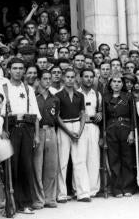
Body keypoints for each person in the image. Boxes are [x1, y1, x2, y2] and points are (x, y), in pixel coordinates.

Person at [0, 58, 41, 215]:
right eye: (15, 68)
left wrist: (36, 135)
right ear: (9, 70)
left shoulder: (28, 88)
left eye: (21, 68)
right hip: (10, 129)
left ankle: (26, 203)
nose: (18, 71)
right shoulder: (2, 87)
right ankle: (11, 203)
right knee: (11, 166)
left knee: (26, 166)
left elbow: (35, 114)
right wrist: (1, 131)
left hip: (27, 129)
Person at [56, 69, 90, 202]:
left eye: (72, 77)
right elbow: (57, 117)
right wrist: (69, 133)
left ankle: (83, 193)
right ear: (63, 78)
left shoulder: (80, 96)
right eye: (67, 77)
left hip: (78, 126)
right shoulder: (57, 95)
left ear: (75, 78)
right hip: (64, 128)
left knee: (80, 160)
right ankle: (61, 194)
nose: (70, 79)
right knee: (63, 162)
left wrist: (80, 131)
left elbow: (83, 114)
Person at [103, 75, 137, 197]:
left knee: (127, 159)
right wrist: (104, 133)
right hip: (111, 129)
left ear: (122, 84)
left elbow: (133, 116)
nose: (116, 84)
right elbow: (104, 117)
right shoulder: (106, 97)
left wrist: (132, 131)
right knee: (114, 160)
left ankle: (128, 187)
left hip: (126, 129)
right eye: (114, 82)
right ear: (110, 84)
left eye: (119, 82)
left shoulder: (128, 97)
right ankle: (117, 189)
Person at [32, 71, 60, 208]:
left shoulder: (55, 98)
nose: (48, 81)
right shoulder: (33, 97)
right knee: (37, 166)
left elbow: (57, 116)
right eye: (45, 79)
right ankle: (38, 198)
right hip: (38, 130)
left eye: (50, 79)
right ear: (39, 80)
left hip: (51, 130)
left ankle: (50, 197)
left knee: (51, 165)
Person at [78, 69, 102, 199]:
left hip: (93, 127)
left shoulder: (97, 94)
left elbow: (100, 110)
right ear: (80, 78)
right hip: (80, 127)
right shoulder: (76, 93)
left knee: (93, 158)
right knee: (80, 158)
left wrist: (100, 113)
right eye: (86, 76)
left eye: (91, 77)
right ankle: (81, 190)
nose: (88, 79)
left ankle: (93, 190)